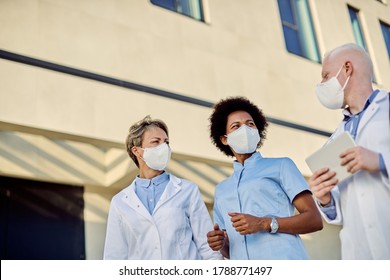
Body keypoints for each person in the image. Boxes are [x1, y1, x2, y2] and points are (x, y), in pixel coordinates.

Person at [206, 96, 323, 260]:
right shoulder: (221, 190)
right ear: (224, 139)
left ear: (258, 131)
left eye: (250, 124)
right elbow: (232, 250)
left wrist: (263, 223)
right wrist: (219, 244)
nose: (245, 129)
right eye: (236, 126)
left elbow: (314, 219)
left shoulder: (281, 166)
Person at [308, 43, 390, 259]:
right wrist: (325, 198)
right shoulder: (336, 138)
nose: (322, 84)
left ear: (347, 68)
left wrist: (381, 161)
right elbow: (341, 213)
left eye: (325, 75)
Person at [103, 115, 223, 260]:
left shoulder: (187, 190)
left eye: (166, 142)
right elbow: (114, 255)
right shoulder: (120, 202)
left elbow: (207, 246)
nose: (164, 147)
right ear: (137, 151)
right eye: (156, 142)